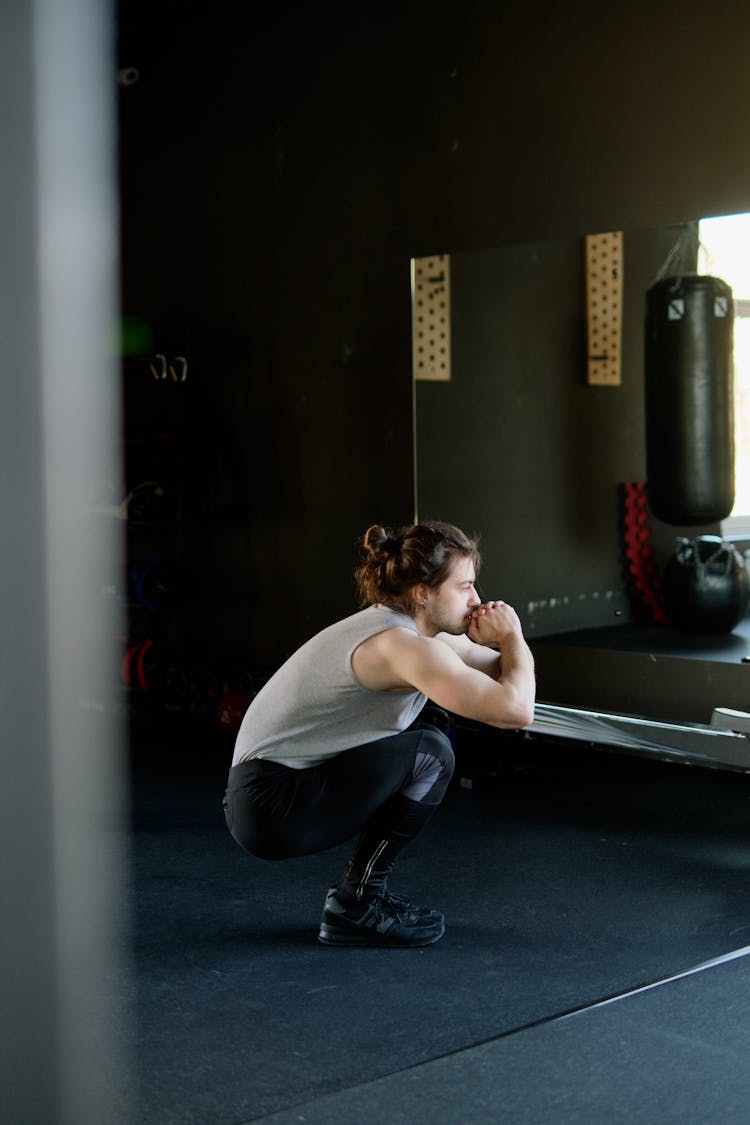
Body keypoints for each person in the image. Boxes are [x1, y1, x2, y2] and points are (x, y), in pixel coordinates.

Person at [223, 520, 535, 948]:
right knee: (430, 751)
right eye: (465, 587)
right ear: (423, 593)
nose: (477, 600)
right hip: (270, 805)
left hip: (269, 796)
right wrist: (513, 635)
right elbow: (515, 710)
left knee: (430, 734)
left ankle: (356, 899)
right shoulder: (400, 646)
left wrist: (505, 645)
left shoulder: (410, 632)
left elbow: (505, 675)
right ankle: (356, 904)